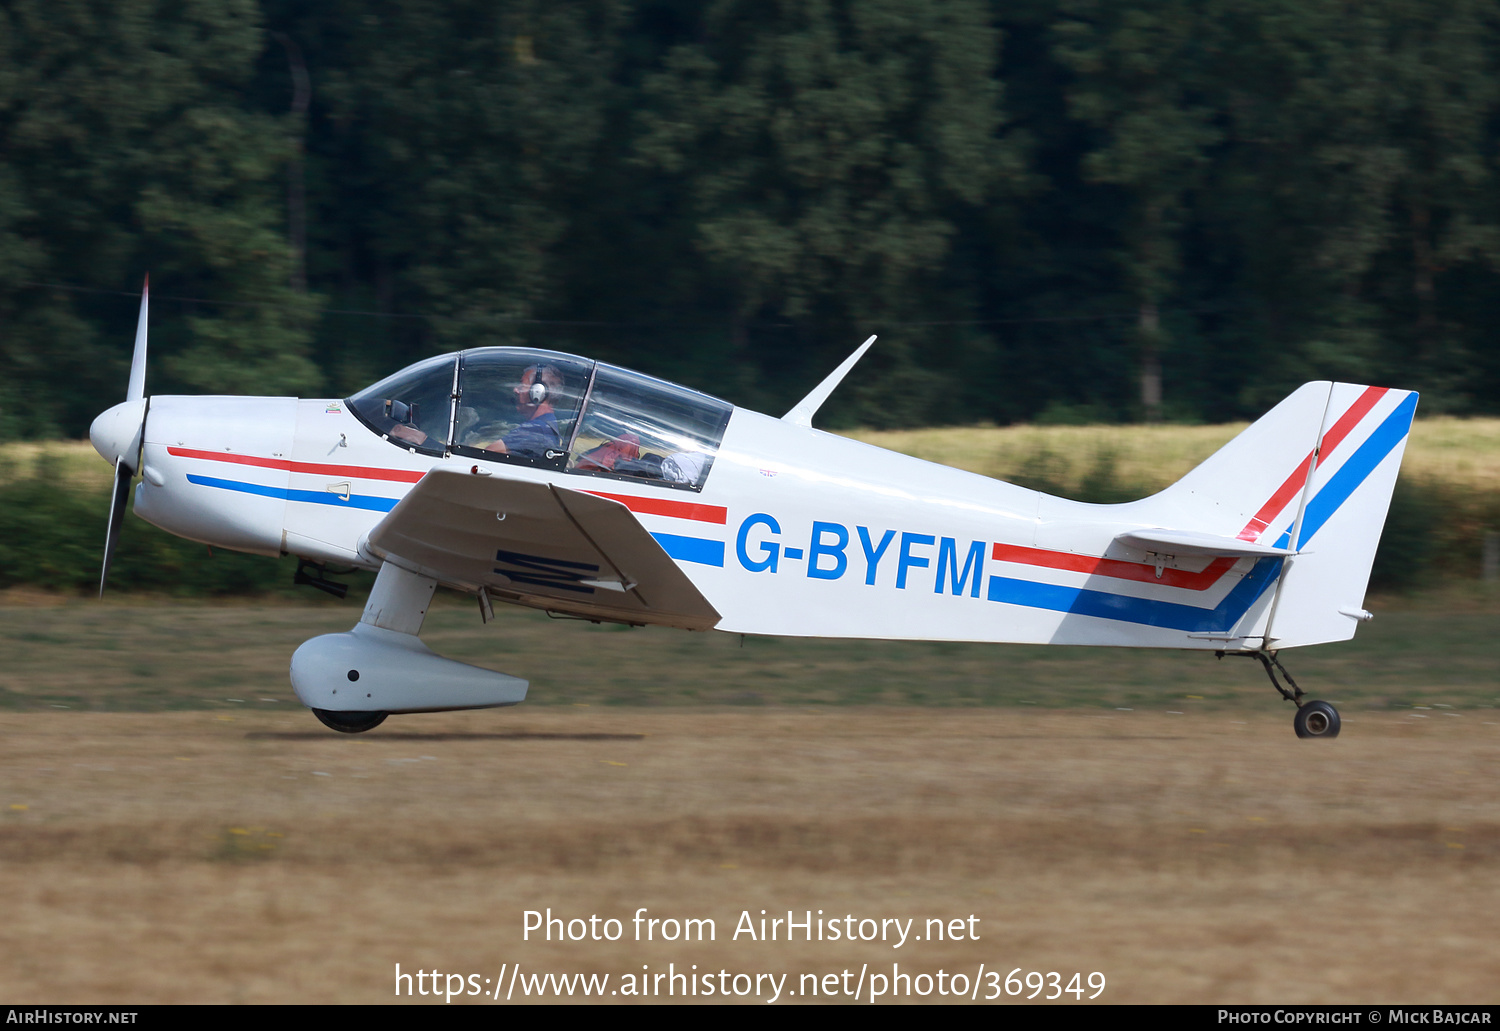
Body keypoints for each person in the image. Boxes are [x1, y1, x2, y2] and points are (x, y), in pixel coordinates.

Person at [485, 364, 564, 459]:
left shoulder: (536, 429)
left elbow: (486, 455)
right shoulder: (547, 426)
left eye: (522, 385)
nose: (516, 390)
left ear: (538, 392)